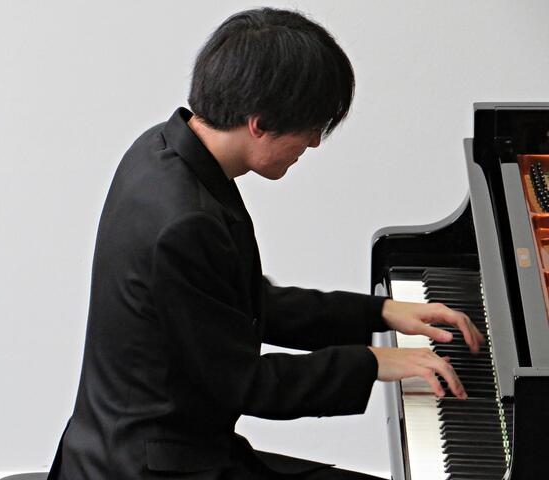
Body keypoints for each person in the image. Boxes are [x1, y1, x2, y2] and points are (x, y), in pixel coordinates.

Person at [47, 7, 484, 480]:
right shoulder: (185, 221)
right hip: (149, 468)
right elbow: (245, 384)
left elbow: (239, 302)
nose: (314, 142)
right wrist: (374, 362)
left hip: (145, 444)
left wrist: (379, 313)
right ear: (258, 123)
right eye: (310, 127)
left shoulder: (161, 151)